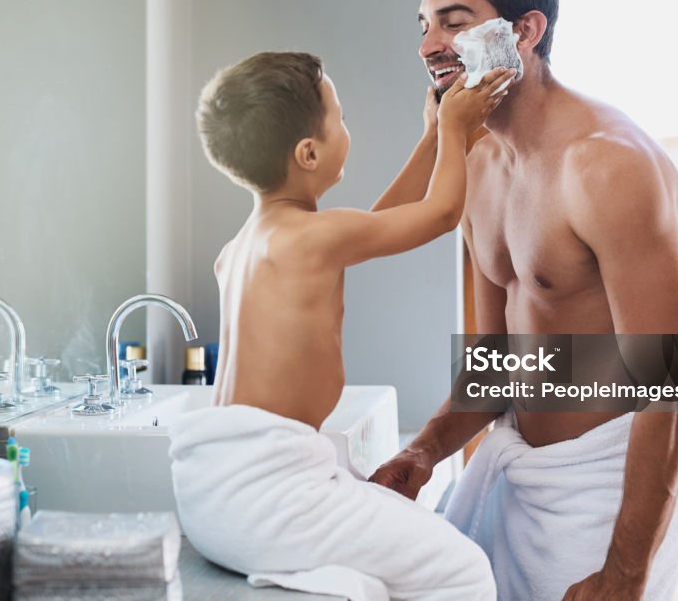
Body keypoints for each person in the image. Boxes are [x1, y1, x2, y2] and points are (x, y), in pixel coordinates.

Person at [369, 0, 678, 601]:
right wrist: (426, 449)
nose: (429, 45)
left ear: (525, 30)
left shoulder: (607, 165)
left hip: (606, 487)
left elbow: (677, 383)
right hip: (518, 468)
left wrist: (625, 573)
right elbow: (501, 361)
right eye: (426, 24)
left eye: (455, 22)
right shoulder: (476, 159)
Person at [169, 50, 514, 600]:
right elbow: (442, 214)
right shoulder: (314, 237)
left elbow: (376, 226)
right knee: (463, 572)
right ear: (309, 153)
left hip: (215, 493)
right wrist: (455, 125)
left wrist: (432, 139)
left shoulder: (245, 247)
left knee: (386, 559)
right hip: (271, 495)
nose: (346, 128)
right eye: (340, 117)